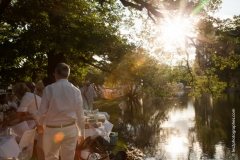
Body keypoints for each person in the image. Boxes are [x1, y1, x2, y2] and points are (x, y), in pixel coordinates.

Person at [34, 63, 85, 160]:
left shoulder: (49, 89)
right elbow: (80, 113)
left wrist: (39, 122)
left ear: (56, 74)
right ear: (68, 75)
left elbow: (42, 111)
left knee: (51, 157)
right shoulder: (76, 90)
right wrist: (81, 132)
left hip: (52, 129)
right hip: (69, 128)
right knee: (68, 157)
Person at [1, 83, 45, 160]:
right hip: (43, 122)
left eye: (15, 94)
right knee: (40, 147)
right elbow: (35, 115)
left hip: (43, 123)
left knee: (40, 147)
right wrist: (25, 118)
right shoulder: (31, 95)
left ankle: (9, 152)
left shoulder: (26, 97)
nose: (16, 97)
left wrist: (6, 122)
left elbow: (18, 114)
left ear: (18, 92)